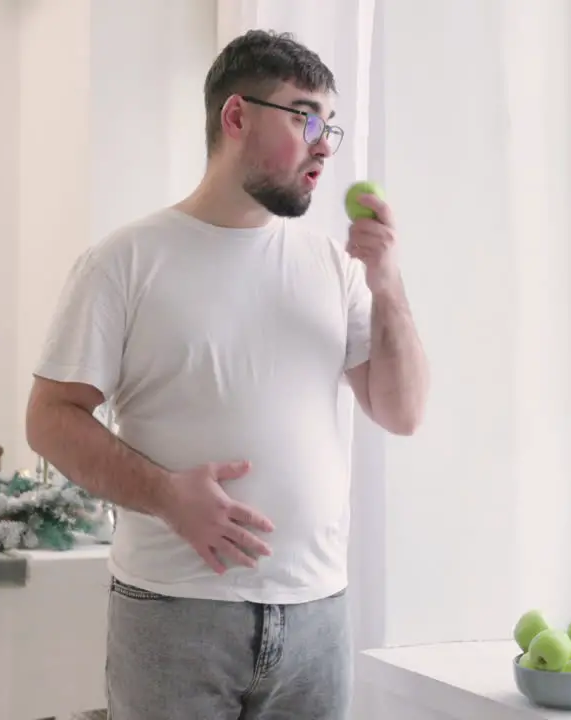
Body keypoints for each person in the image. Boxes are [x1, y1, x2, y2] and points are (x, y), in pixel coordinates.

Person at [25, 30, 428, 720]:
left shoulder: (334, 267)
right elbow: (49, 419)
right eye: (304, 117)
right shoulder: (124, 262)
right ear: (236, 116)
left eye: (330, 123)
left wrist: (386, 283)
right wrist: (166, 495)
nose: (324, 143)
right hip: (177, 615)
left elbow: (402, 411)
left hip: (316, 616)